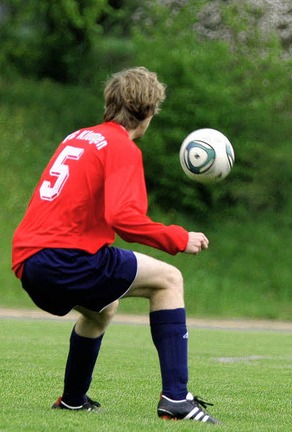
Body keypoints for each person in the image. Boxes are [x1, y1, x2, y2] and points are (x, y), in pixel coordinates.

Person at [11, 67, 220, 424]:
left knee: (102, 310)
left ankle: (73, 400)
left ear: (111, 103)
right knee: (169, 280)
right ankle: (176, 398)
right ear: (149, 112)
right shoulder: (122, 147)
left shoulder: (77, 137)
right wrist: (178, 238)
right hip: (67, 258)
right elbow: (124, 219)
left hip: (30, 263)